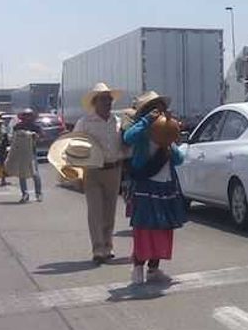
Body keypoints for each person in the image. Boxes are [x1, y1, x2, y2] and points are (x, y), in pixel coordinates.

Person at [122, 91, 187, 285]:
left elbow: (179, 159)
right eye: (153, 108)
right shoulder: (141, 131)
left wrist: (171, 137)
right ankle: (138, 267)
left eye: (159, 107)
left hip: (165, 185)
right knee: (144, 229)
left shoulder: (165, 133)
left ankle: (154, 268)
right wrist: (146, 122)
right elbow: (127, 138)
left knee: (163, 228)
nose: (158, 111)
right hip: (145, 185)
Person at [73, 82, 129, 265]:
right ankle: (98, 248)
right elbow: (74, 146)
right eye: (104, 99)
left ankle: (108, 245)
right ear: (95, 102)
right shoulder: (84, 122)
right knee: (95, 211)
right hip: (93, 171)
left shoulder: (118, 121)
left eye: (109, 99)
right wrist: (77, 173)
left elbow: (125, 145)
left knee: (110, 211)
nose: (108, 102)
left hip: (114, 169)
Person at [9, 108, 43, 203]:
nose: (27, 118)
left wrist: (36, 136)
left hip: (31, 152)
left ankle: (38, 193)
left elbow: (41, 137)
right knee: (22, 174)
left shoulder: (36, 127)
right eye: (26, 115)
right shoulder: (18, 127)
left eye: (29, 115)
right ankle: (25, 194)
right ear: (23, 117)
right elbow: (14, 139)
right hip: (21, 153)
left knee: (35, 174)